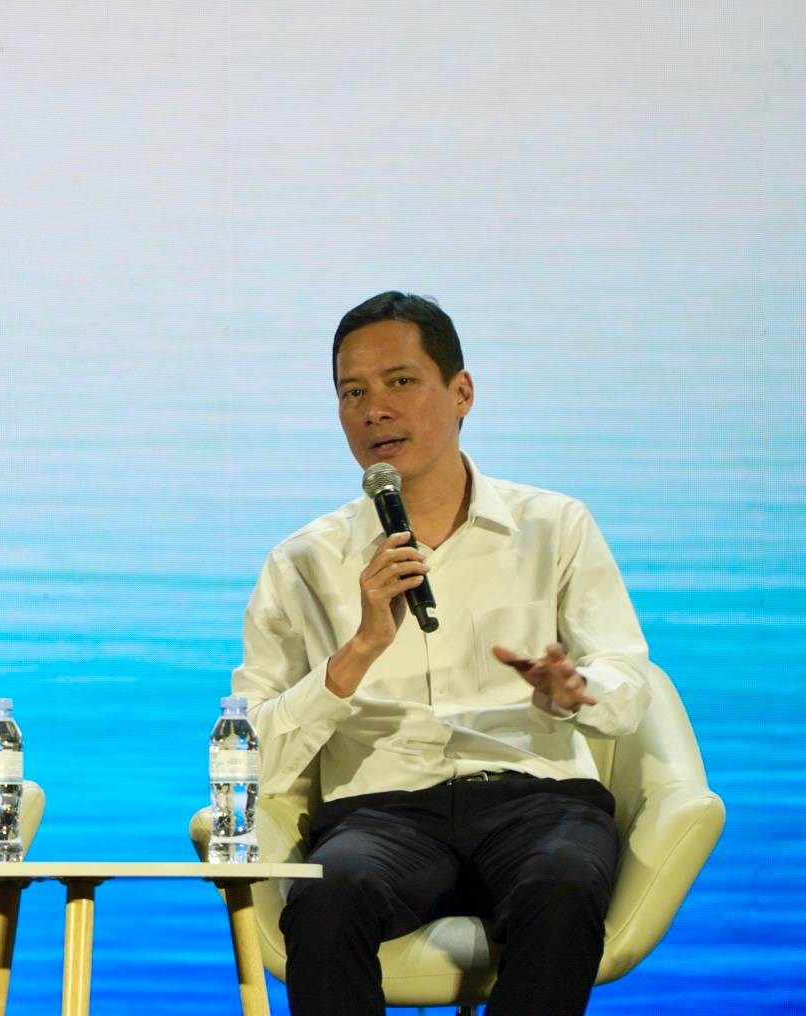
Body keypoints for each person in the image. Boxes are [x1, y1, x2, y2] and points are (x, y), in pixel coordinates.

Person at [232, 292, 651, 1016]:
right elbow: (249, 755)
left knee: (563, 885)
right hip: (379, 814)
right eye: (352, 393)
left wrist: (574, 689)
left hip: (536, 797)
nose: (375, 411)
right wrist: (357, 653)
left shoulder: (554, 526)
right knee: (329, 898)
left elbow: (628, 683)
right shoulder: (303, 561)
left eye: (400, 382)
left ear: (462, 393)